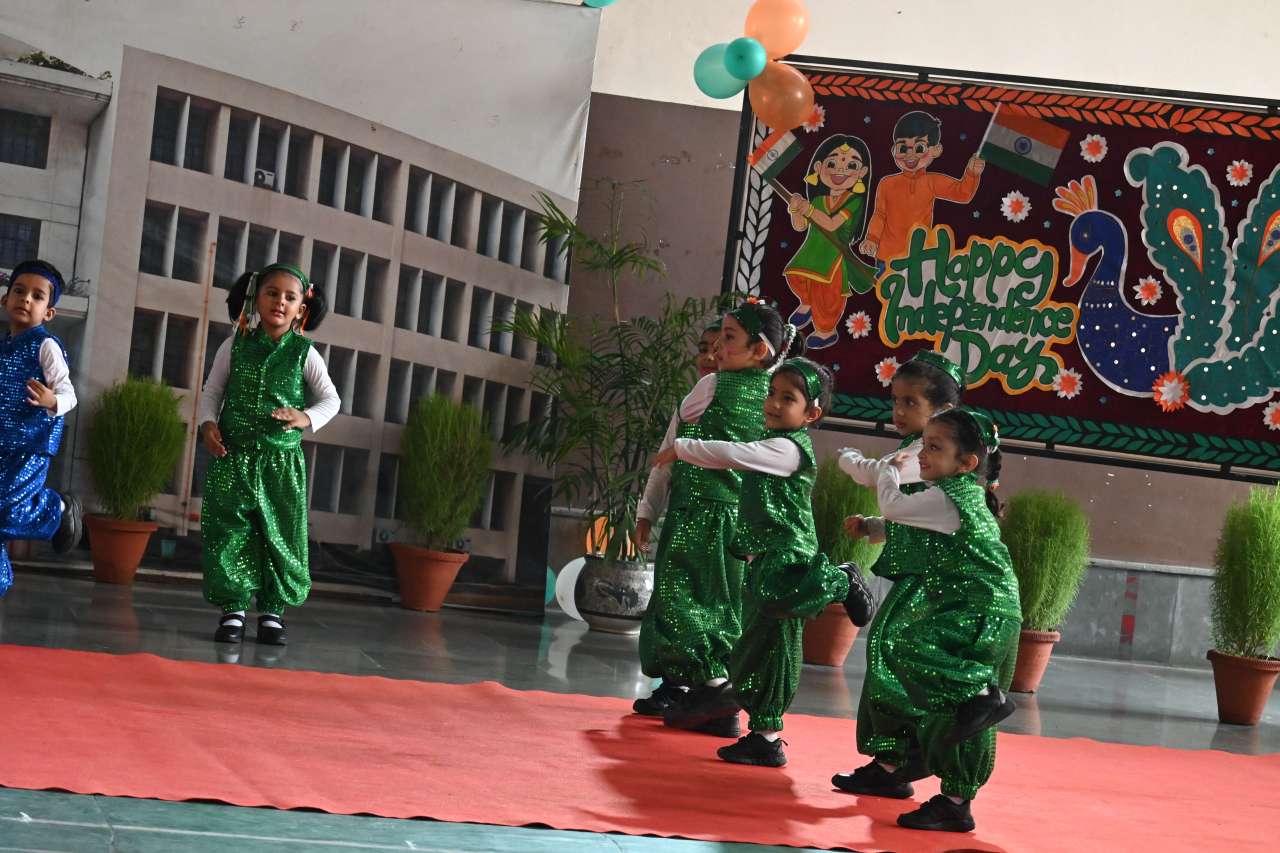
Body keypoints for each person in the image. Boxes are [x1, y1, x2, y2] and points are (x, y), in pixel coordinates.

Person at [656, 357, 875, 766]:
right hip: (763, 556)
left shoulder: (787, 448)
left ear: (811, 414)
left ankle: (840, 581)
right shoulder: (772, 439)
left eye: (787, 398)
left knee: (777, 642)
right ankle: (763, 734)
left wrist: (683, 448)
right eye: (771, 393)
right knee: (756, 646)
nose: (773, 403)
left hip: (787, 552)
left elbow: (731, 453)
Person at [836, 408, 1019, 833]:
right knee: (957, 703)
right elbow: (906, 523)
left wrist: (887, 468)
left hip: (980, 610)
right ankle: (952, 797)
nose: (922, 454)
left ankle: (977, 707)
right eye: (924, 445)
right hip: (975, 608)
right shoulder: (952, 494)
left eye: (934, 447)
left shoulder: (951, 495)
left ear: (966, 462)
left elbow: (893, 504)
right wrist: (874, 526)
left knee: (910, 649)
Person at [638, 300, 793, 738]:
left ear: (759, 349)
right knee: (723, 604)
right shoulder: (775, 398)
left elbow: (675, 438)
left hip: (700, 513)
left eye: (728, 338)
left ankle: (713, 689)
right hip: (741, 521)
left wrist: (648, 507)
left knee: (682, 598)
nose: (716, 350)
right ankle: (711, 697)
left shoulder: (712, 387)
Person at [197, 263, 339, 646]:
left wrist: (305, 417)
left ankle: (272, 612)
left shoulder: (305, 354)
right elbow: (212, 392)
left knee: (281, 535)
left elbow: (331, 399)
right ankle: (233, 609)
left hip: (281, 464)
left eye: (290, 297)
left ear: (301, 309)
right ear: (255, 298)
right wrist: (208, 425)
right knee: (230, 531)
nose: (280, 302)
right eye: (272, 293)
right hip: (234, 457)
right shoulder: (234, 344)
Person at [632, 319, 722, 716]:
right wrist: (646, 515)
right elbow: (664, 462)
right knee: (671, 600)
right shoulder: (688, 405)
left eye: (720, 347)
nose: (709, 357)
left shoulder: (749, 407)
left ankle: (711, 690)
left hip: (722, 523)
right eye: (703, 348)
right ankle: (673, 684)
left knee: (710, 605)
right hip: (683, 519)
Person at [0, 260, 83, 597]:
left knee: (8, 510)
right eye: (19, 291)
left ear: (49, 312)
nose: (26, 299)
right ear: (5, 299)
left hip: (30, 445)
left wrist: (51, 400)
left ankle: (59, 509)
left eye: (37, 296)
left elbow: (69, 395)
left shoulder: (46, 346)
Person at [860, 111, 985, 276]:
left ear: (936, 150)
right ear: (893, 150)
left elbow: (962, 194)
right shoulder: (886, 183)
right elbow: (879, 215)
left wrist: (972, 174)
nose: (910, 155)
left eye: (919, 148)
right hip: (887, 257)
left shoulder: (931, 181)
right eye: (903, 148)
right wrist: (872, 238)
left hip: (918, 258)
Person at [782, 134, 877, 349]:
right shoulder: (818, 199)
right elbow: (800, 227)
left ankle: (826, 331)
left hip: (834, 254)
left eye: (851, 165)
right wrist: (795, 210)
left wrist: (808, 210)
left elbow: (832, 224)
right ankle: (807, 302)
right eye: (832, 164)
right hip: (811, 249)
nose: (840, 170)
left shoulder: (853, 201)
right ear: (818, 167)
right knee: (795, 277)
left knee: (828, 295)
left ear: (862, 173)